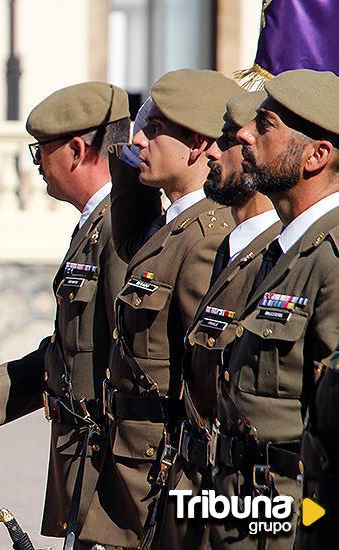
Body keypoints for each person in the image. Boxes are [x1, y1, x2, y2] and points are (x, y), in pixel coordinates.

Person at [0, 81, 139, 548]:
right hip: (84, 468)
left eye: (40, 152)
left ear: (75, 150)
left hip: (108, 478)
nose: (37, 165)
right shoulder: (96, 224)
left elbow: (129, 363)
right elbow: (71, 349)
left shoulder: (118, 229)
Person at [94, 69, 241, 549]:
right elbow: (127, 231)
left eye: (154, 129)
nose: (138, 139)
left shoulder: (206, 238)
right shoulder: (168, 226)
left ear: (199, 145)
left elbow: (204, 385)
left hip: (162, 475)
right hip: (131, 465)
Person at [212, 69, 339, 550]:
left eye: (264, 125)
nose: (243, 133)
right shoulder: (281, 250)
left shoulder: (331, 257)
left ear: (316, 155)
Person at [164, 90, 281, 549]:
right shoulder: (230, 248)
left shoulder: (274, 255)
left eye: (228, 139)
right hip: (200, 485)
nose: (212, 151)